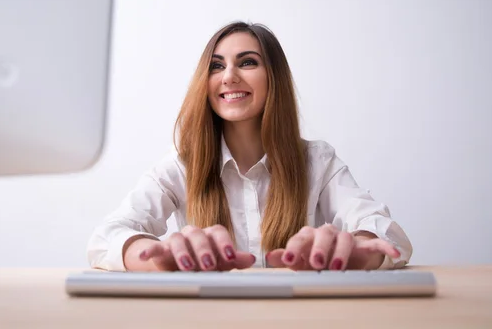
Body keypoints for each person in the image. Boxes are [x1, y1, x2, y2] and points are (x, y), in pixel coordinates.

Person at [87, 21, 412, 272]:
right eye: (216, 66)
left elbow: (386, 232)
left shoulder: (317, 160)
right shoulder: (181, 167)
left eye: (247, 62)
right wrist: (158, 258)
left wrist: (356, 250)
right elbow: (105, 238)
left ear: (274, 78)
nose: (228, 76)